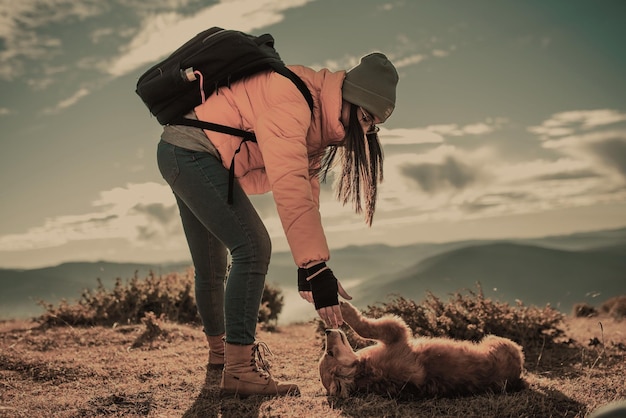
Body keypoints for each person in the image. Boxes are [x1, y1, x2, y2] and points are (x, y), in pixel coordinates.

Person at [156, 52, 399, 397]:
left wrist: (307, 266)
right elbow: (290, 185)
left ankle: (221, 357)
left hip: (184, 151)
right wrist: (316, 268)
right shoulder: (293, 100)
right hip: (192, 152)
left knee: (211, 265)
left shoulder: (319, 119)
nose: (367, 130)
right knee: (253, 247)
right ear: (352, 100)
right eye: (367, 119)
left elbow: (306, 190)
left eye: (374, 125)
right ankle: (239, 371)